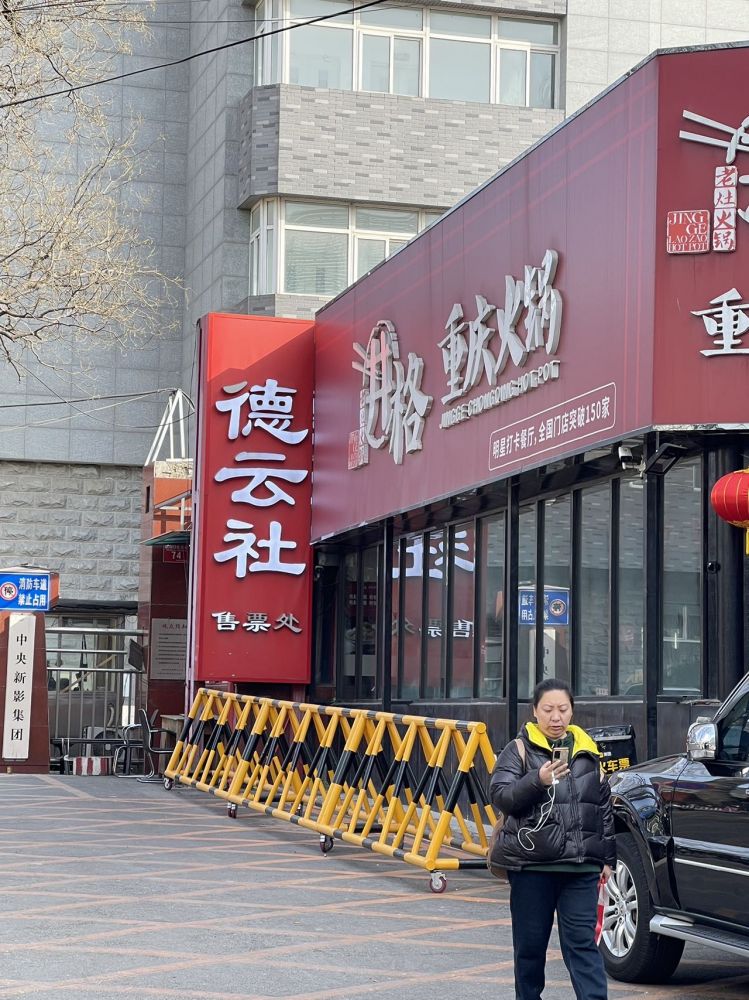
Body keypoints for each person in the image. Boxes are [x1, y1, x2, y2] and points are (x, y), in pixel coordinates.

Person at [489, 678, 616, 1000]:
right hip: (532, 867)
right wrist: (538, 779)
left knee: (583, 945)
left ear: (572, 711)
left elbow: (602, 807)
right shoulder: (518, 750)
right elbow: (501, 797)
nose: (556, 717)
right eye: (548, 709)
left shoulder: (587, 750)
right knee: (530, 949)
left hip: (580, 868)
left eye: (562, 709)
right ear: (535, 711)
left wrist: (607, 859)